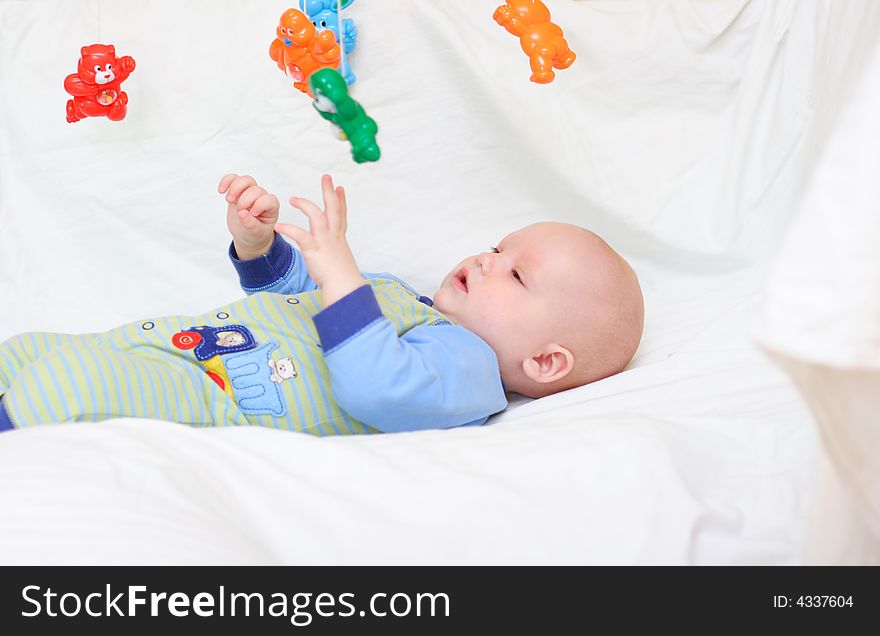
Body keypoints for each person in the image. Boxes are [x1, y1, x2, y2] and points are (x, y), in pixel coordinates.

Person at [0, 174, 644, 435]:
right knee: (30, 352)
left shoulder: (467, 369)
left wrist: (340, 271)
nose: (485, 261)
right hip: (180, 344)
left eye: (517, 276)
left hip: (211, 397)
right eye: (496, 247)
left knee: (67, 384)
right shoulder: (397, 297)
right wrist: (258, 247)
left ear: (547, 362)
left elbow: (376, 388)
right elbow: (293, 296)